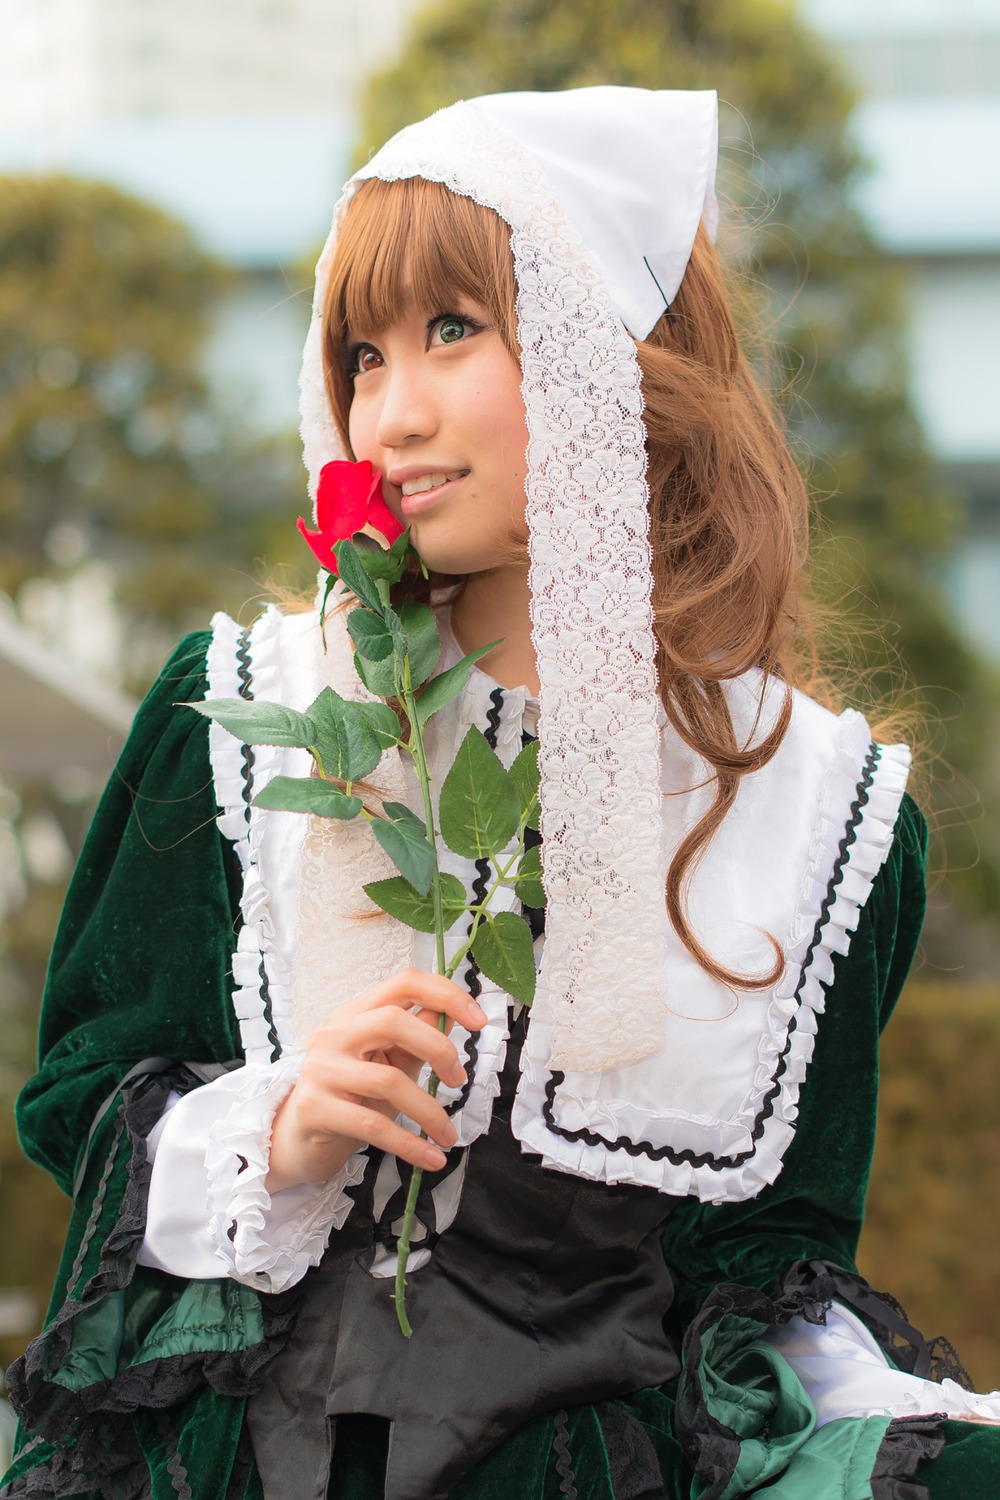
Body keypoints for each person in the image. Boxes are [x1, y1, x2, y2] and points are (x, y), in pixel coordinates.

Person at [3, 86, 999, 1500]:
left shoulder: (811, 814)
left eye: (453, 331)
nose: (390, 412)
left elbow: (761, 1280)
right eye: (360, 353)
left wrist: (909, 1440)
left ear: (610, 356)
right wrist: (274, 1128)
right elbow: (82, 1099)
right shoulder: (241, 719)